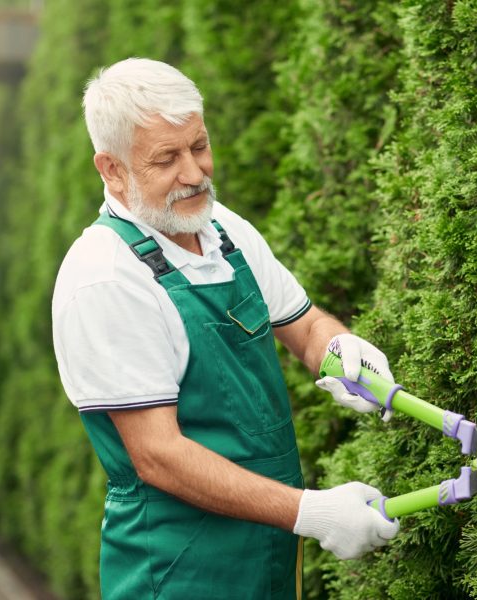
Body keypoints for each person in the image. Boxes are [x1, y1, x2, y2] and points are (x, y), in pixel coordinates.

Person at [52, 58, 399, 600]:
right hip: (178, 569)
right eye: (166, 159)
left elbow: (303, 325)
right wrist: (311, 510)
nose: (194, 173)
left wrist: (340, 348)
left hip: (269, 549)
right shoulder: (105, 277)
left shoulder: (222, 230)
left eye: (198, 145)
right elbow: (158, 455)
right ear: (112, 169)